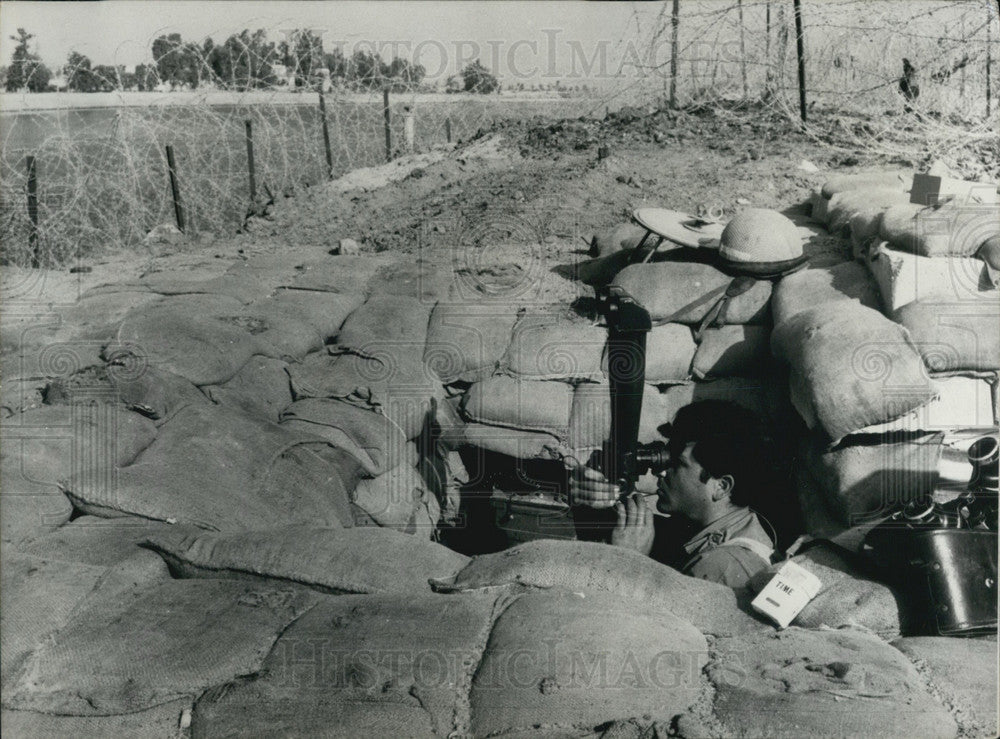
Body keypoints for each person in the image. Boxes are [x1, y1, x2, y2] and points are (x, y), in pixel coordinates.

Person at [571, 400, 775, 588]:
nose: (660, 471)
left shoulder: (720, 568)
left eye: (678, 464)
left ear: (721, 486)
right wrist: (589, 491)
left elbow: (643, 625)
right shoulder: (711, 528)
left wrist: (630, 561)